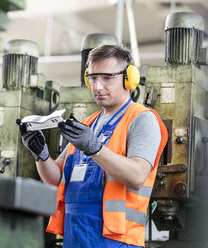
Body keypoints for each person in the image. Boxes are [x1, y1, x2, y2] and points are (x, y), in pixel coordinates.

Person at [17, 45, 168, 248]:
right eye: (93, 78)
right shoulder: (87, 124)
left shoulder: (141, 119)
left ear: (129, 78)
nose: (97, 86)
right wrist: (41, 155)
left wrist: (95, 148)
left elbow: (137, 176)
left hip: (115, 240)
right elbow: (55, 178)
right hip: (75, 236)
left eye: (107, 77)